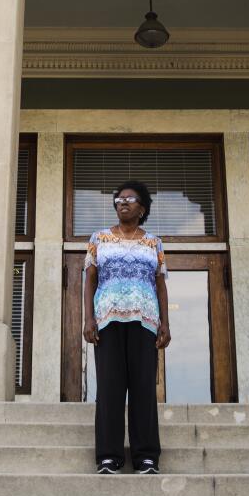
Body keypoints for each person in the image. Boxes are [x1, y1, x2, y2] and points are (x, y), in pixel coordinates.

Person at [83, 180, 171, 475]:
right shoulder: (99, 239)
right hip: (107, 321)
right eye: (118, 199)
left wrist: (165, 324)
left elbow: (160, 285)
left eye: (129, 199)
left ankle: (146, 456)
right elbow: (89, 280)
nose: (122, 203)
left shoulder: (154, 243)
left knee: (144, 389)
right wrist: (88, 318)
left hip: (145, 322)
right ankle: (109, 456)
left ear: (142, 208)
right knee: (109, 389)